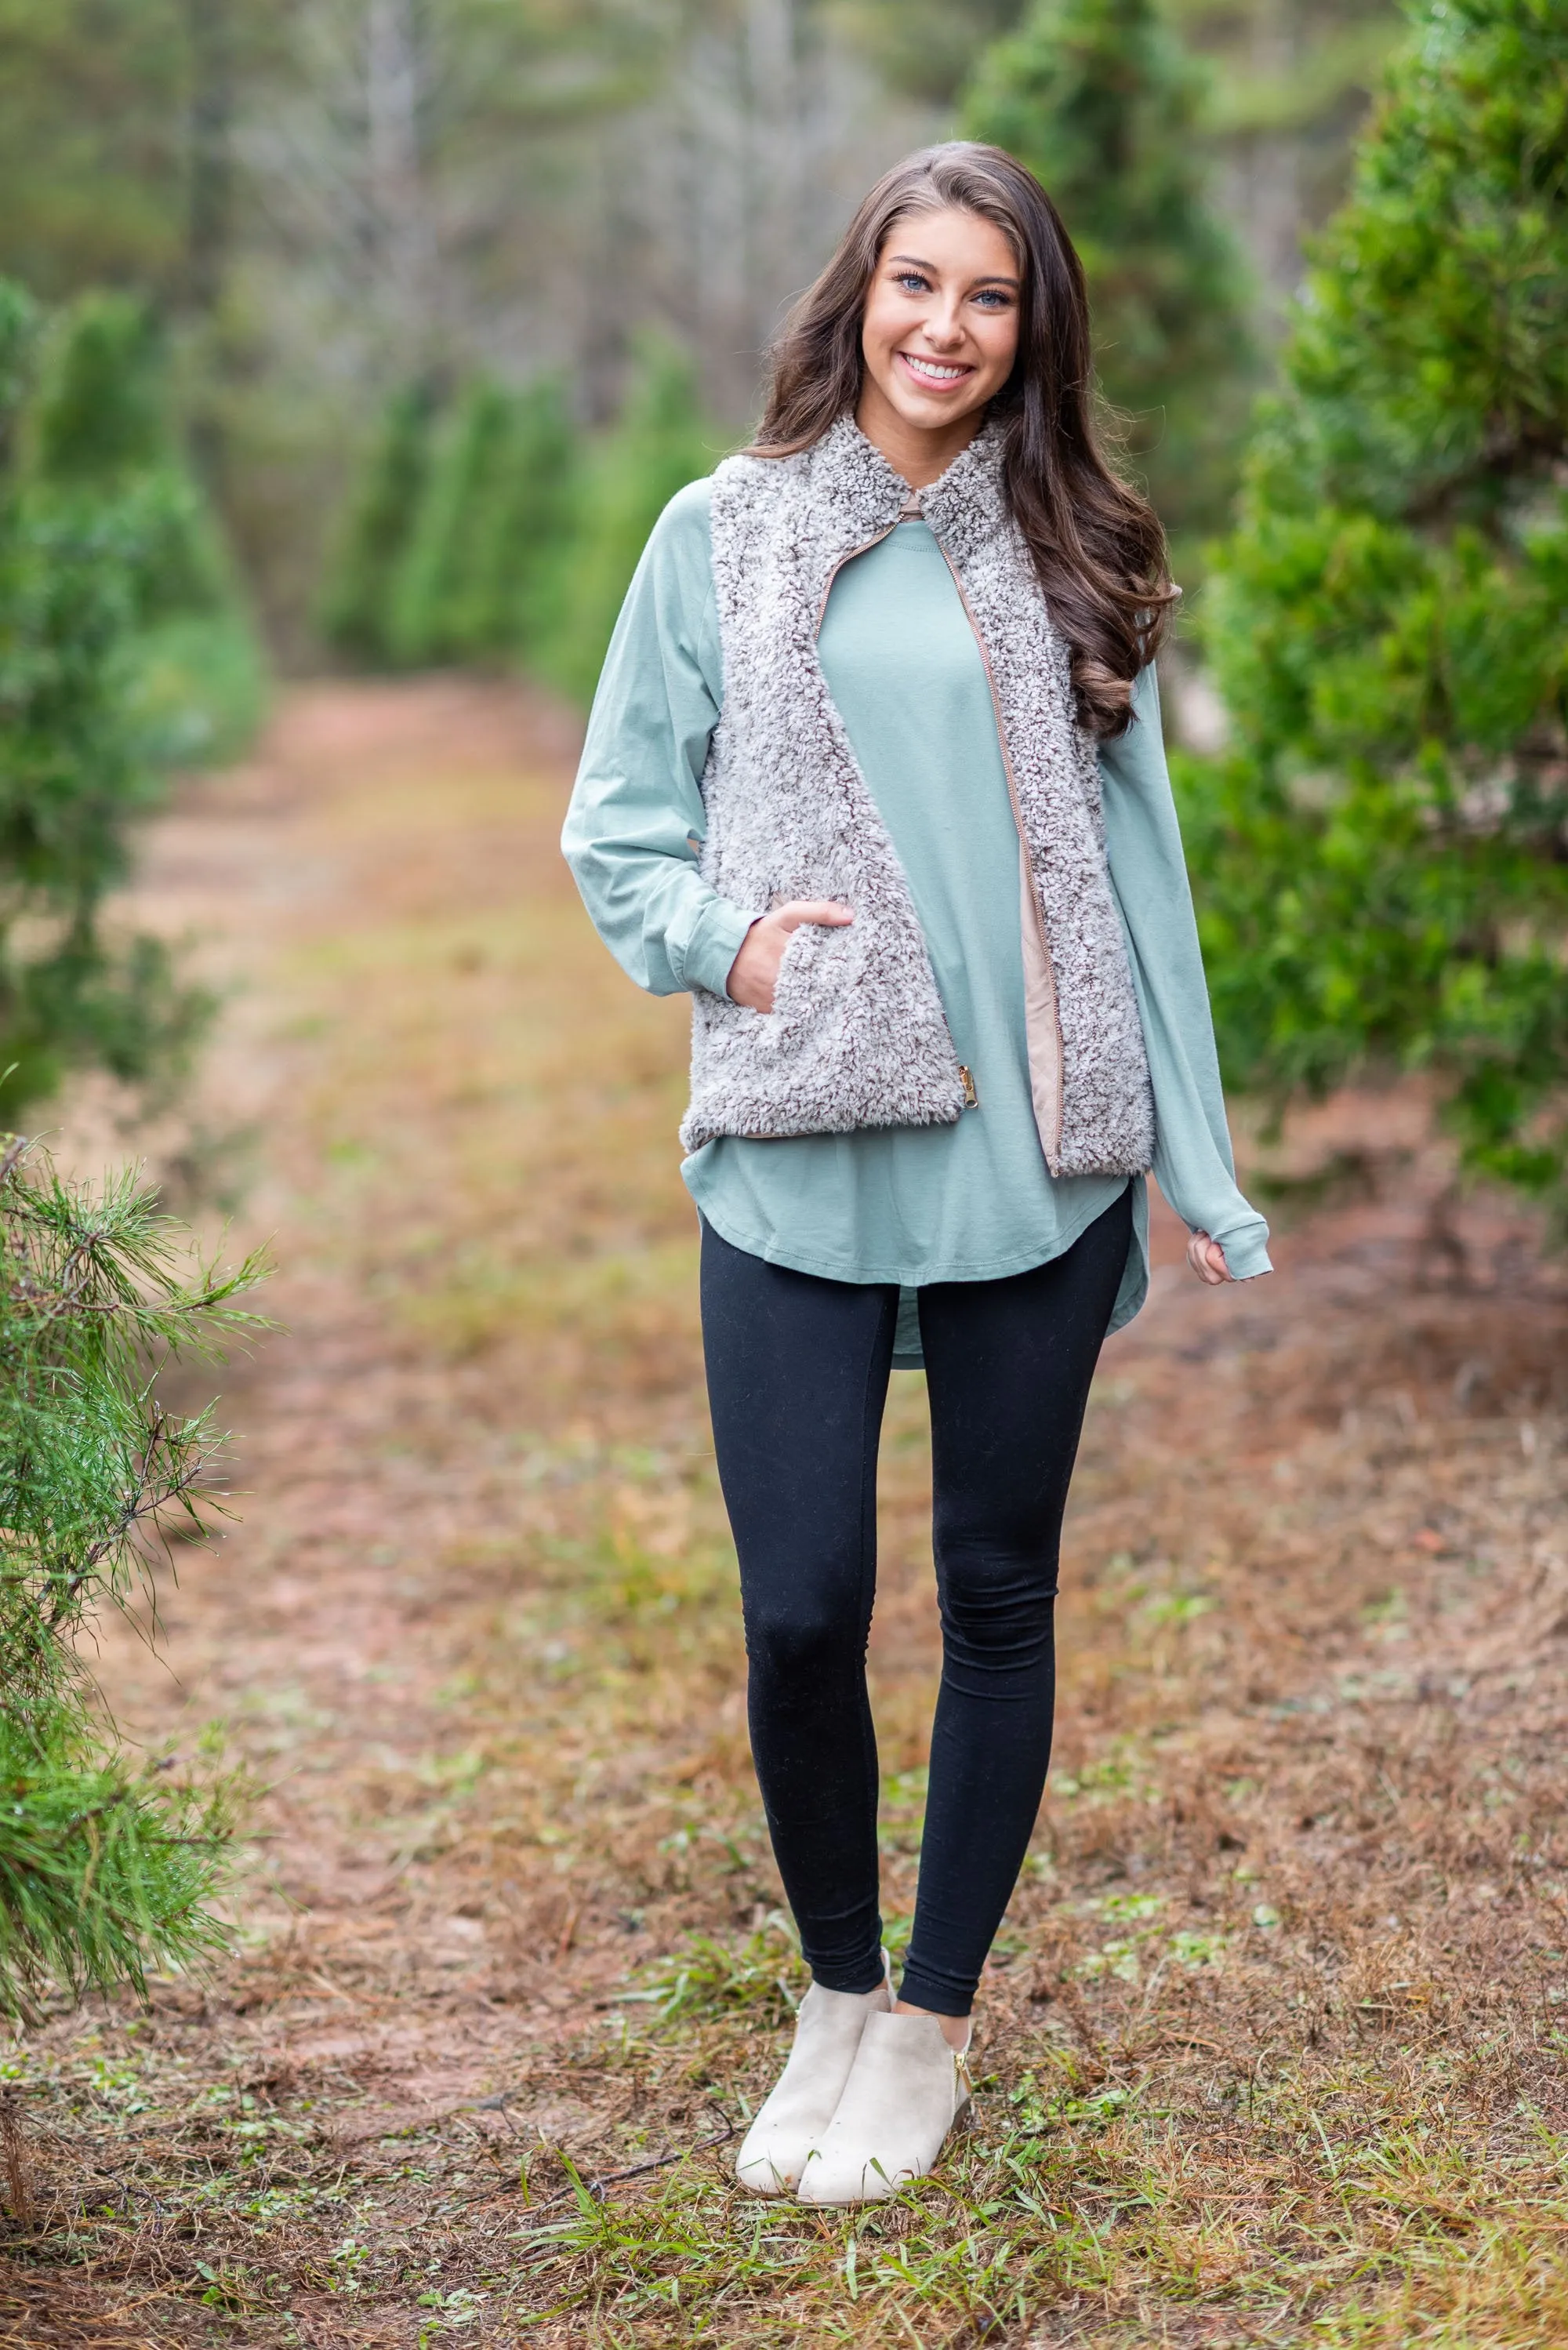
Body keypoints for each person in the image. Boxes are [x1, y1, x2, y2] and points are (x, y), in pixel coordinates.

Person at [561, 140, 1270, 2209]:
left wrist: (1200, 1169)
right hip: (793, 1142)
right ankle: (828, 1992)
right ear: (854, 293)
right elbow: (622, 820)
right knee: (798, 1613)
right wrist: (730, 943)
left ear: (1031, 330)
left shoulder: (1075, 554)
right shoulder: (728, 532)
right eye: (914, 285)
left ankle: (931, 2025)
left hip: (1027, 1166)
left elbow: (1145, 882)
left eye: (988, 298)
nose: (943, 330)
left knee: (993, 1594)